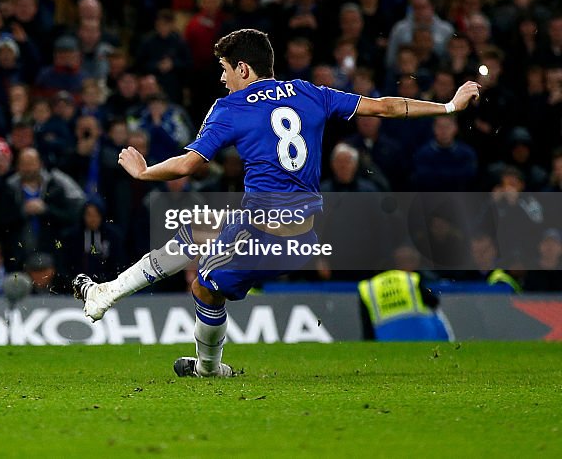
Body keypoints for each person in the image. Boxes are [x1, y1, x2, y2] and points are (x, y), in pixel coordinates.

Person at [73, 28, 481, 378]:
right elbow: (385, 106)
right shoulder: (310, 93)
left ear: (244, 70)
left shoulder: (229, 108)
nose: (222, 78)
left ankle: (202, 365)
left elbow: (189, 164)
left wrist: (144, 172)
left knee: (203, 282)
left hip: (266, 230)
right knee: (196, 240)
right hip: (302, 232)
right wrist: (449, 106)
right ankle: (111, 298)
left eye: (225, 69)